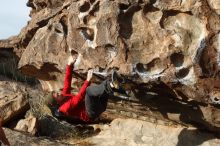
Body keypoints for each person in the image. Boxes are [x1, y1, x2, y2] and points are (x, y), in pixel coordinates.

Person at [47, 54, 125, 122]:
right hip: (91, 113)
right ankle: (112, 85)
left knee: (104, 85)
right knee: (89, 91)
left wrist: (69, 65)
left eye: (55, 92)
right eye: (56, 95)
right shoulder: (64, 108)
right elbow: (78, 98)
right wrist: (87, 80)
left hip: (99, 105)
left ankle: (119, 85)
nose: (58, 92)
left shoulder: (64, 96)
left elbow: (67, 81)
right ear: (57, 102)